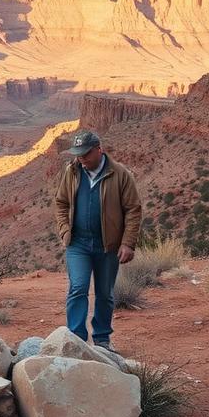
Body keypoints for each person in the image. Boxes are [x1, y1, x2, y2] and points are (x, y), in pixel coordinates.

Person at [53, 129, 142, 351]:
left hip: (108, 246)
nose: (81, 158)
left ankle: (102, 339)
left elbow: (133, 209)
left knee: (105, 293)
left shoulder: (120, 174)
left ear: (99, 150)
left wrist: (127, 242)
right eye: (77, 153)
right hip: (78, 244)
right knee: (78, 288)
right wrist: (65, 230)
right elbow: (61, 203)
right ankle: (76, 339)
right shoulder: (72, 172)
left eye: (86, 153)